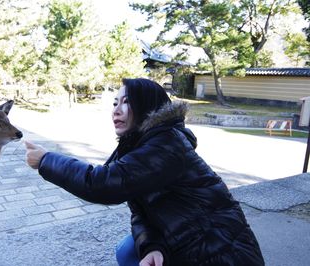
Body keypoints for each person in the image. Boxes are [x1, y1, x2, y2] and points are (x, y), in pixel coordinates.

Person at [25, 78, 264, 266]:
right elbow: (140, 209)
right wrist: (152, 246)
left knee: (128, 251)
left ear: (147, 106)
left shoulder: (166, 145)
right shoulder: (138, 144)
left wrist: (46, 160)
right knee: (129, 250)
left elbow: (101, 185)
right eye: (114, 103)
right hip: (184, 234)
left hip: (219, 250)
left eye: (126, 102)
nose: (116, 110)